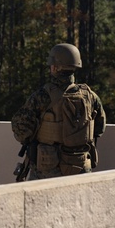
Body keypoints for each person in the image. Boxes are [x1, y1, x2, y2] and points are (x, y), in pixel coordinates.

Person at [11, 43, 106, 180]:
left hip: (48, 169)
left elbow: (21, 131)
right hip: (81, 167)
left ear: (55, 67)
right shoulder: (90, 96)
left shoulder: (42, 96)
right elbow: (99, 128)